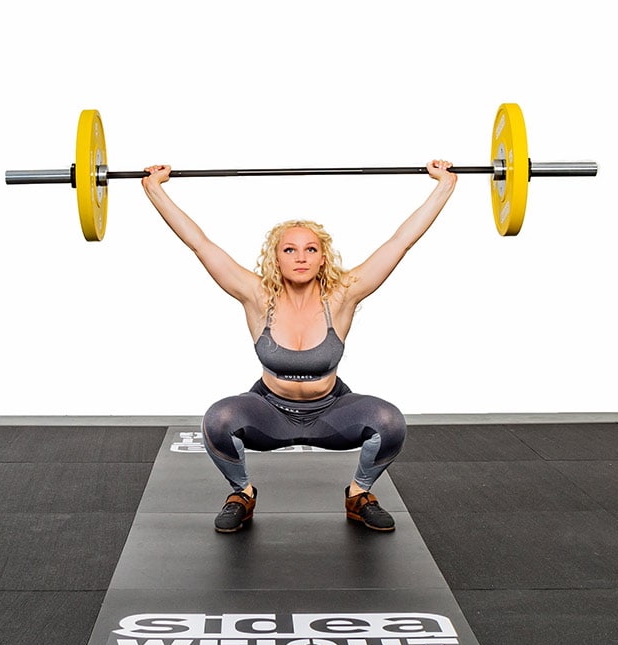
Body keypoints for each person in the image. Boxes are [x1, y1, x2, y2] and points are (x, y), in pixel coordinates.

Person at [142, 161, 457, 533]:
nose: (301, 257)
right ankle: (242, 493)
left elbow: (400, 243)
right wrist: (155, 189)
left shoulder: (342, 295)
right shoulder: (257, 295)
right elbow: (200, 244)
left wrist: (443, 185)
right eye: (290, 250)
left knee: (390, 422)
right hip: (269, 413)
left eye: (310, 249)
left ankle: (359, 495)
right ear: (276, 258)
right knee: (217, 420)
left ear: (323, 257)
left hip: (332, 413)